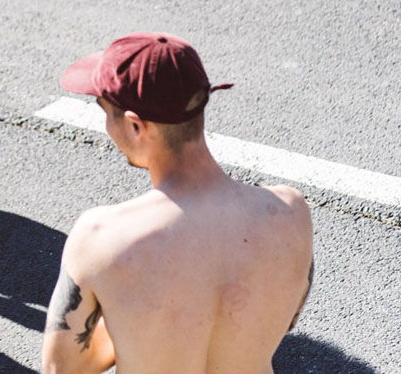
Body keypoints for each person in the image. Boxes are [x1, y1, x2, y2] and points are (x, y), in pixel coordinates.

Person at [43, 32, 314, 374]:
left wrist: (136, 322)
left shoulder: (100, 237)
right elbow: (283, 316)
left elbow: (62, 368)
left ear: (135, 125)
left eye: (106, 113)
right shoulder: (290, 212)